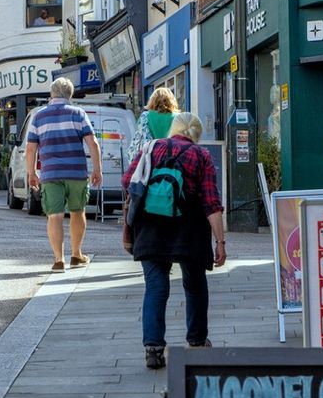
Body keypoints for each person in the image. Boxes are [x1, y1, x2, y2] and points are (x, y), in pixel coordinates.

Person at [124, 112, 226, 370]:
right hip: (189, 230)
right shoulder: (201, 156)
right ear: (197, 134)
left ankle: (154, 349)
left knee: (156, 288)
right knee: (195, 285)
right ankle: (197, 342)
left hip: (150, 228)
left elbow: (129, 183)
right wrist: (220, 242)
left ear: (175, 128)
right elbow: (211, 202)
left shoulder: (150, 147)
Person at [25, 77, 103, 272]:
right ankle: (76, 254)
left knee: (55, 216)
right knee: (78, 212)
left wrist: (31, 172)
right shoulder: (78, 113)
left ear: (51, 94)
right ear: (70, 94)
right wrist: (97, 169)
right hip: (76, 172)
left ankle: (59, 260)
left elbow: (30, 148)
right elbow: (92, 142)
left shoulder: (39, 116)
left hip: (51, 174)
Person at [126, 87, 179, 167]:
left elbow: (137, 140)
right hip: (172, 161)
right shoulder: (177, 118)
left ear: (152, 101)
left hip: (151, 161)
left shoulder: (145, 116)